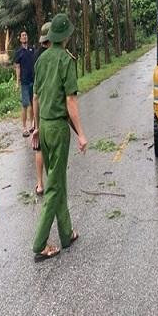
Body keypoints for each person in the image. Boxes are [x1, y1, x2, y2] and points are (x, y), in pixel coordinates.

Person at [30, 13, 89, 261]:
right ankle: (39, 244)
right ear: (66, 36)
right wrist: (82, 134)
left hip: (43, 126)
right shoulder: (66, 61)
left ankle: (66, 234)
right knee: (54, 187)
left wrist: (35, 126)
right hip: (58, 129)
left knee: (58, 180)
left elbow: (36, 97)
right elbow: (71, 100)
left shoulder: (41, 61)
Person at [30, 23, 51, 196]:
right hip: (53, 110)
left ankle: (40, 183)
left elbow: (35, 95)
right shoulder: (57, 56)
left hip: (41, 110)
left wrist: (36, 125)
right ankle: (53, 183)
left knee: (39, 149)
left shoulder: (37, 56)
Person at [13, 30, 35, 137]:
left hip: (33, 81)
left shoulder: (32, 50)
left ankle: (32, 125)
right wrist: (17, 82)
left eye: (26, 35)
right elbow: (17, 67)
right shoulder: (18, 52)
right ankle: (24, 127)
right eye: (22, 35)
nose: (24, 37)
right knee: (25, 105)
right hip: (24, 82)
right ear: (20, 39)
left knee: (33, 103)